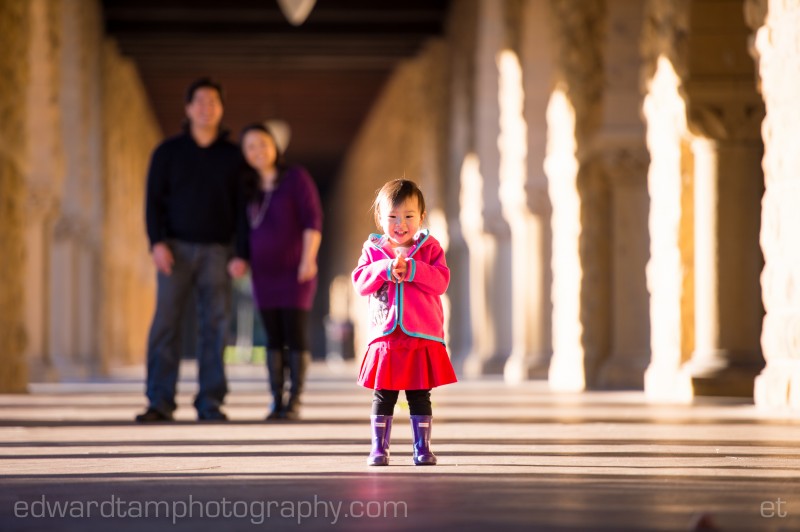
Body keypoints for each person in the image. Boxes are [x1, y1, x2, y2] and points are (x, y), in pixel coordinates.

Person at [136, 77, 248, 423]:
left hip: (218, 252)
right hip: (175, 250)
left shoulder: (234, 157)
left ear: (221, 109)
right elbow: (152, 202)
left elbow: (244, 208)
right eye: (199, 101)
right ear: (187, 109)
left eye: (213, 102)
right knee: (165, 324)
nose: (206, 107)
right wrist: (156, 243)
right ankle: (160, 401)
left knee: (216, 326)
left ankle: (210, 402)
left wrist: (241, 253)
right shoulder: (167, 152)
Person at [351, 179, 457, 466]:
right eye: (393, 217)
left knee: (419, 394)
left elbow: (441, 281)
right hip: (386, 337)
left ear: (421, 218)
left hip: (420, 335)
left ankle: (422, 447)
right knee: (383, 394)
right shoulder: (373, 250)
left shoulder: (430, 248)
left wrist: (412, 269)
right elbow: (360, 283)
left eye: (409, 216)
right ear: (380, 219)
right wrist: (384, 268)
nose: (401, 224)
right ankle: (378, 448)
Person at [229, 123, 322, 421]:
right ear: (245, 154)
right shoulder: (247, 187)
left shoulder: (296, 178)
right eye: (251, 146)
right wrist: (240, 257)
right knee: (272, 335)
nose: (258, 151)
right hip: (263, 273)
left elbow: (313, 219)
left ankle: (294, 400)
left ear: (275, 147)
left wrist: (309, 258)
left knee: (294, 332)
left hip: (296, 270)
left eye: (263, 144)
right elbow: (242, 230)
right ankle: (275, 399)